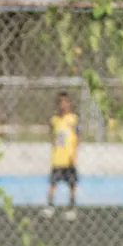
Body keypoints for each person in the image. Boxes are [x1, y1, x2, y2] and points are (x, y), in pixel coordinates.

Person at [43, 90, 79, 222]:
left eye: (65, 102)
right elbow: (52, 135)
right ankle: (50, 206)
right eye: (60, 103)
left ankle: (72, 207)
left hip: (69, 158)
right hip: (58, 158)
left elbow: (78, 136)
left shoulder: (73, 119)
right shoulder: (55, 120)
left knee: (72, 183)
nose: (62, 105)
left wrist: (74, 153)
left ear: (69, 104)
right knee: (53, 183)